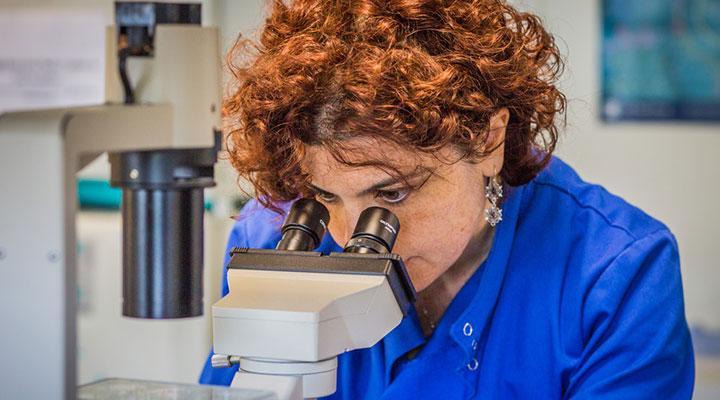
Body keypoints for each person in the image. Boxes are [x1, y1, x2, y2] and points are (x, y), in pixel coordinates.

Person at [199, 0, 695, 398]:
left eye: (391, 191)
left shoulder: (617, 276)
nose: (350, 240)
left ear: (489, 141)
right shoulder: (268, 240)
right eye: (324, 196)